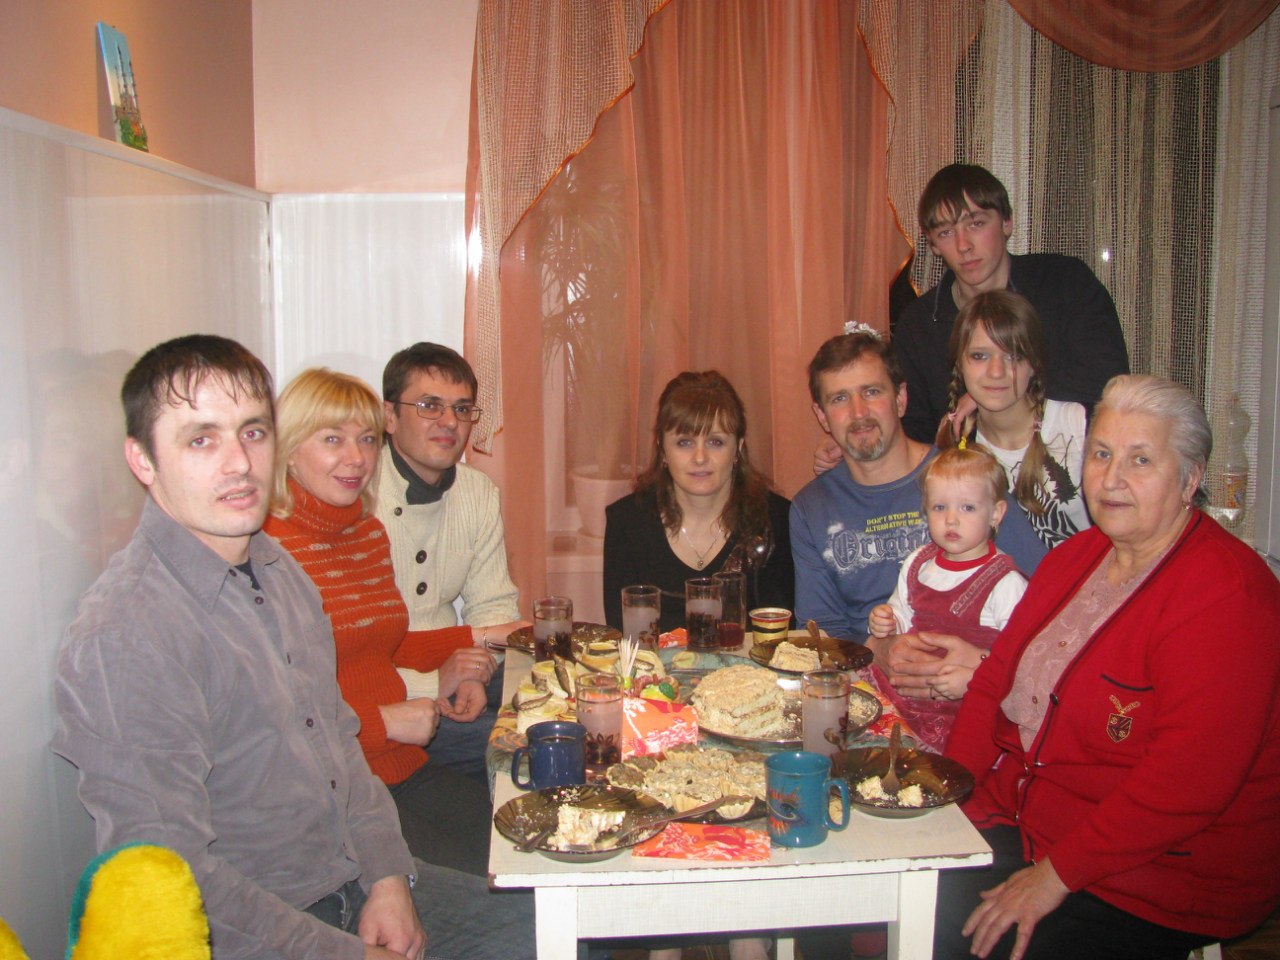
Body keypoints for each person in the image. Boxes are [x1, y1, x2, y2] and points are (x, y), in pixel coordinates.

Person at [51, 335, 529, 960]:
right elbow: (172, 879)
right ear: (143, 460)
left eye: (252, 433)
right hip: (265, 926)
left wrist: (388, 877)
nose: (239, 463)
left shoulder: (277, 572)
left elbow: (337, 745)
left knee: (563, 928)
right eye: (201, 440)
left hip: (351, 876)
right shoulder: (126, 636)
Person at [937, 375, 1280, 960]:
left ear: (1190, 479)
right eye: (1101, 454)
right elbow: (994, 683)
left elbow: (1184, 785)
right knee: (894, 896)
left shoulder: (1227, 597)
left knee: (965, 939)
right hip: (1029, 821)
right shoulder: (1074, 558)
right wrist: (947, 794)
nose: (1111, 478)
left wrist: (1053, 877)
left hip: (1157, 875)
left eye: (1140, 459)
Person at [263, 368, 503, 879]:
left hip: (400, 764)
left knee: (529, 854)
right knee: (496, 890)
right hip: (338, 789)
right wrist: (383, 723)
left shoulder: (366, 533)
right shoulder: (269, 553)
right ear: (288, 449)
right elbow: (269, 720)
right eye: (333, 439)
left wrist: (471, 648)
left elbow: (378, 645)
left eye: (367, 439)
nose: (357, 458)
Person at [791, 330, 1041, 643]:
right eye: (839, 399)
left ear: (900, 399)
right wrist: (880, 651)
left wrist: (981, 660)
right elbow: (820, 633)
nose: (858, 412)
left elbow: (1044, 598)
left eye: (871, 392)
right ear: (822, 415)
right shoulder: (811, 508)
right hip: (866, 667)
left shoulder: (965, 478)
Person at [894, 162, 1128, 443]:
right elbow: (913, 433)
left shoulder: (1064, 283)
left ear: (1007, 223)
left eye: (976, 224)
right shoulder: (918, 325)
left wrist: (998, 399)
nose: (963, 245)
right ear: (932, 244)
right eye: (946, 232)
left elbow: (1109, 385)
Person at [375, 342, 524, 782]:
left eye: (462, 409)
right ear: (389, 416)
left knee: (559, 700)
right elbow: (351, 655)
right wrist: (437, 679)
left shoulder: (477, 493)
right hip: (386, 692)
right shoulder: (358, 492)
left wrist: (474, 671)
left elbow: (493, 606)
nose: (449, 422)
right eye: (429, 406)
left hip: (457, 665)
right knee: (524, 746)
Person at [604, 370, 794, 633]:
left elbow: (781, 635)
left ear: (738, 449)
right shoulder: (627, 523)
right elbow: (623, 636)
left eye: (715, 442)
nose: (700, 457)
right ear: (662, 449)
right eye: (684, 442)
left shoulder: (775, 520)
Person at [867, 444, 1027, 753]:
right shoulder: (919, 563)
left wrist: (975, 678)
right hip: (907, 693)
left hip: (963, 708)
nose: (951, 520)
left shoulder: (1005, 583)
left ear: (996, 513)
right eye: (940, 507)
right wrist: (886, 619)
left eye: (967, 508)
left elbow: (1020, 658)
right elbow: (902, 612)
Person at [936, 289, 1090, 553]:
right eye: (980, 356)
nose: (996, 372)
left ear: (1034, 364)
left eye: (1014, 356)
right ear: (959, 363)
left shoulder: (1077, 424)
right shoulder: (956, 440)